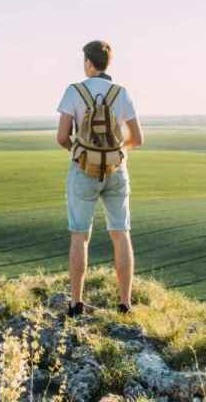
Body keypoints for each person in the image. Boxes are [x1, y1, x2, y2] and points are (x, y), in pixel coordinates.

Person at [56, 40, 144, 317]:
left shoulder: (74, 92)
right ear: (109, 63)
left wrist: (83, 153)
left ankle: (76, 303)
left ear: (87, 63)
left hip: (83, 171)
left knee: (80, 235)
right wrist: (115, 152)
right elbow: (137, 139)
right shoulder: (122, 93)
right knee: (121, 233)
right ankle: (125, 303)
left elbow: (61, 137)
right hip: (116, 171)